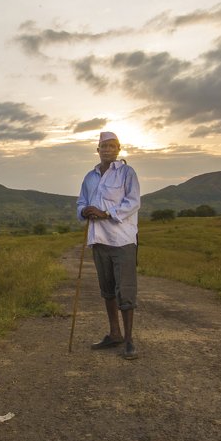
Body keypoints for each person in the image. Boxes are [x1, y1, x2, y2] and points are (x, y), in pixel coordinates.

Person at [76, 131, 141, 360]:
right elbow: (81, 202)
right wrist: (84, 210)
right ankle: (115, 334)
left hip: (122, 240)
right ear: (98, 149)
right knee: (107, 289)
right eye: (104, 146)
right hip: (98, 240)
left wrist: (105, 214)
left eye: (112, 146)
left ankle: (130, 340)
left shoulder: (126, 173)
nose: (107, 149)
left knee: (125, 290)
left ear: (119, 149)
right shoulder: (90, 177)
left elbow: (133, 203)